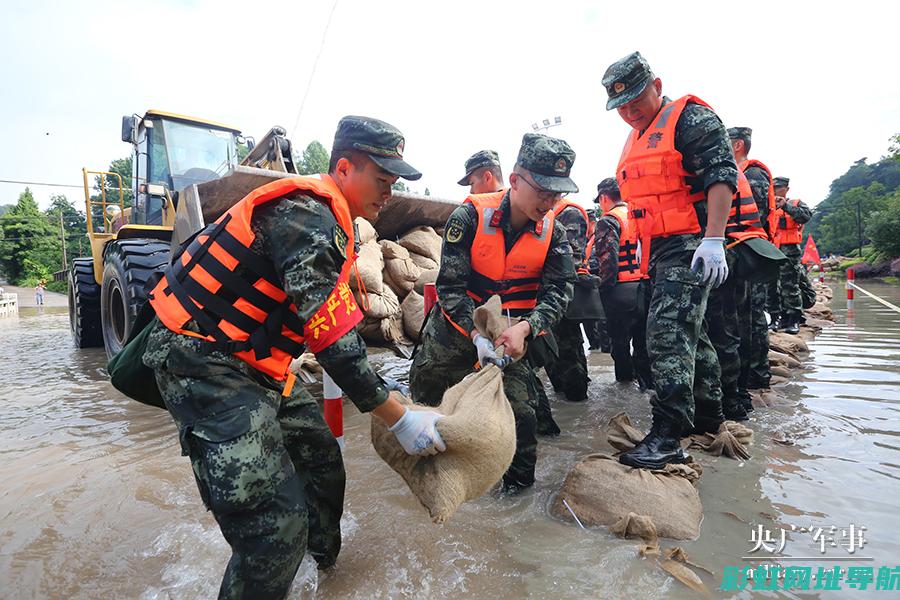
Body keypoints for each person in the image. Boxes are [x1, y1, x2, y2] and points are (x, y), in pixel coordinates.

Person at [143, 116, 446, 599]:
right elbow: (334, 346)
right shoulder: (306, 215)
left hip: (259, 365)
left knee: (320, 462)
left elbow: (331, 322)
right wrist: (398, 417)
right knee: (270, 530)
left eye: (394, 184)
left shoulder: (333, 223)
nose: (389, 193)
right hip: (205, 363)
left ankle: (314, 579)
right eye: (382, 180)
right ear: (344, 168)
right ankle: (272, 567)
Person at [410, 133, 577, 493]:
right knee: (424, 416)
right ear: (515, 180)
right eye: (542, 190)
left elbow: (560, 291)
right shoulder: (468, 217)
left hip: (508, 342)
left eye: (556, 194)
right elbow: (450, 289)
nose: (548, 202)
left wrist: (528, 329)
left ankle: (514, 510)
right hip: (450, 338)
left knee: (522, 421)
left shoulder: (555, 233)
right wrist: (474, 335)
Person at [602, 51, 735, 469]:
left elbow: (721, 175)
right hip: (660, 251)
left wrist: (713, 238)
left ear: (657, 85)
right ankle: (709, 417)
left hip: (692, 243)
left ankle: (669, 435)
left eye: (636, 101)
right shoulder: (637, 136)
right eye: (621, 107)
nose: (630, 112)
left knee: (666, 334)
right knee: (692, 336)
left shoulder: (690, 120)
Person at [589, 177, 652, 390]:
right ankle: (647, 389)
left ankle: (624, 390)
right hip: (646, 288)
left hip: (620, 292)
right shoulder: (639, 215)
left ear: (605, 198)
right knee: (643, 346)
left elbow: (609, 259)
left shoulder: (608, 220)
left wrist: (602, 290)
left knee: (620, 346)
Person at [729, 127, 775, 399]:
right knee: (744, 316)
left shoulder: (752, 175)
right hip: (743, 251)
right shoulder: (740, 171)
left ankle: (756, 375)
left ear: (736, 145)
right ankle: (749, 375)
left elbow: (750, 218)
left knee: (752, 317)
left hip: (751, 253)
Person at [543, 188, 592, 402]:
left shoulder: (569, 214)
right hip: (546, 292)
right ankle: (567, 397)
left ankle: (577, 397)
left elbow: (571, 256)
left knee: (568, 348)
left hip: (562, 292)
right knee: (553, 350)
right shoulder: (546, 213)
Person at [770, 176, 813, 334]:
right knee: (771, 286)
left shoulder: (796, 204)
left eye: (778, 187)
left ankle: (794, 318)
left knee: (790, 285)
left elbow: (806, 216)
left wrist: (785, 206)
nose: (775, 190)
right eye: (773, 187)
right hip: (771, 248)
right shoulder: (767, 205)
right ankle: (775, 318)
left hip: (789, 250)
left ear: (787, 189)